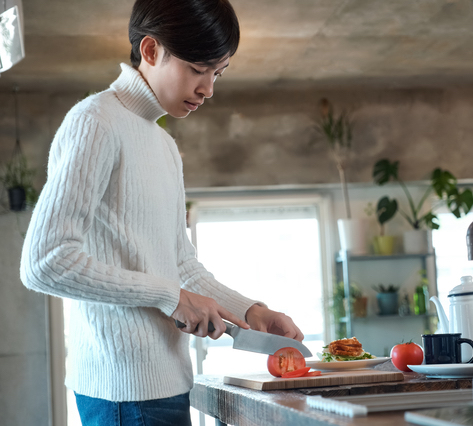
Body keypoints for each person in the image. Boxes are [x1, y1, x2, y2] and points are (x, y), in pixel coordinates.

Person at [19, 0, 304, 425]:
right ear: (151, 51)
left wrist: (248, 311)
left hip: (169, 383)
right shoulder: (95, 121)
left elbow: (181, 265)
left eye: (217, 73)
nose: (208, 88)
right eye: (197, 69)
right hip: (122, 394)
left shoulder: (164, 146)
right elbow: (44, 263)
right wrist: (169, 297)